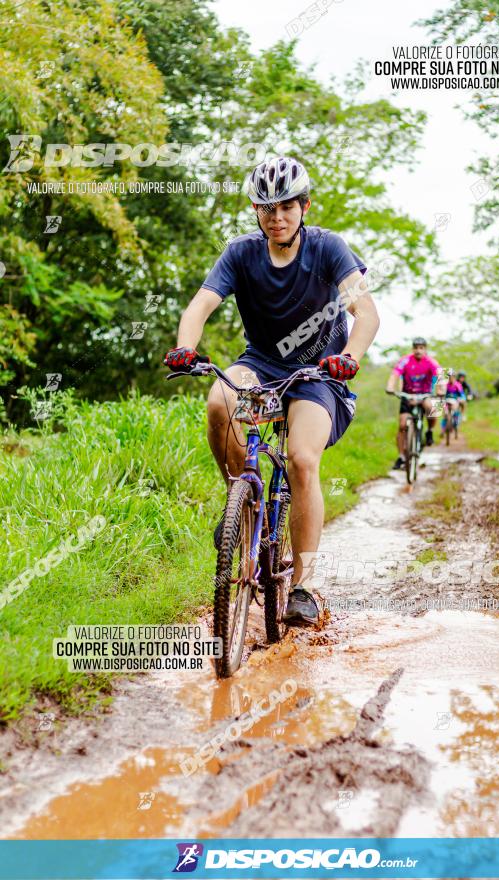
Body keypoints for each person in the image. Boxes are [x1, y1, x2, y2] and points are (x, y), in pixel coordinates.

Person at [164, 156, 379, 626]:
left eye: (286, 206)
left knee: (302, 460)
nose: (276, 216)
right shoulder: (241, 252)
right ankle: (239, 507)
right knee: (220, 401)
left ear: (304, 206)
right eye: (266, 208)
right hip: (261, 364)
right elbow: (201, 305)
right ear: (256, 213)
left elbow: (366, 314)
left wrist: (351, 358)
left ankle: (303, 585)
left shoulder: (329, 248)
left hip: (320, 374)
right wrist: (185, 347)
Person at [385, 337, 440, 470]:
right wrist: (390, 387)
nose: (418, 350)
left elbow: (442, 374)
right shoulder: (405, 360)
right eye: (415, 347)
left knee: (434, 407)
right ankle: (401, 457)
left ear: (425, 349)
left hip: (425, 395)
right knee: (402, 425)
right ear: (412, 349)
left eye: (421, 348)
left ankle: (430, 431)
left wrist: (441, 389)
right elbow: (394, 374)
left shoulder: (431, 361)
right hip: (407, 395)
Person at [440, 369, 465, 435]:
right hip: (447, 401)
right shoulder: (445, 385)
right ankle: (442, 430)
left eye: (452, 376)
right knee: (445, 415)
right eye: (449, 376)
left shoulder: (457, 385)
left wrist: (461, 398)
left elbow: (462, 394)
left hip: (455, 401)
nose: (451, 378)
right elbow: (442, 393)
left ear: (454, 377)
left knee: (456, 409)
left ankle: (457, 420)